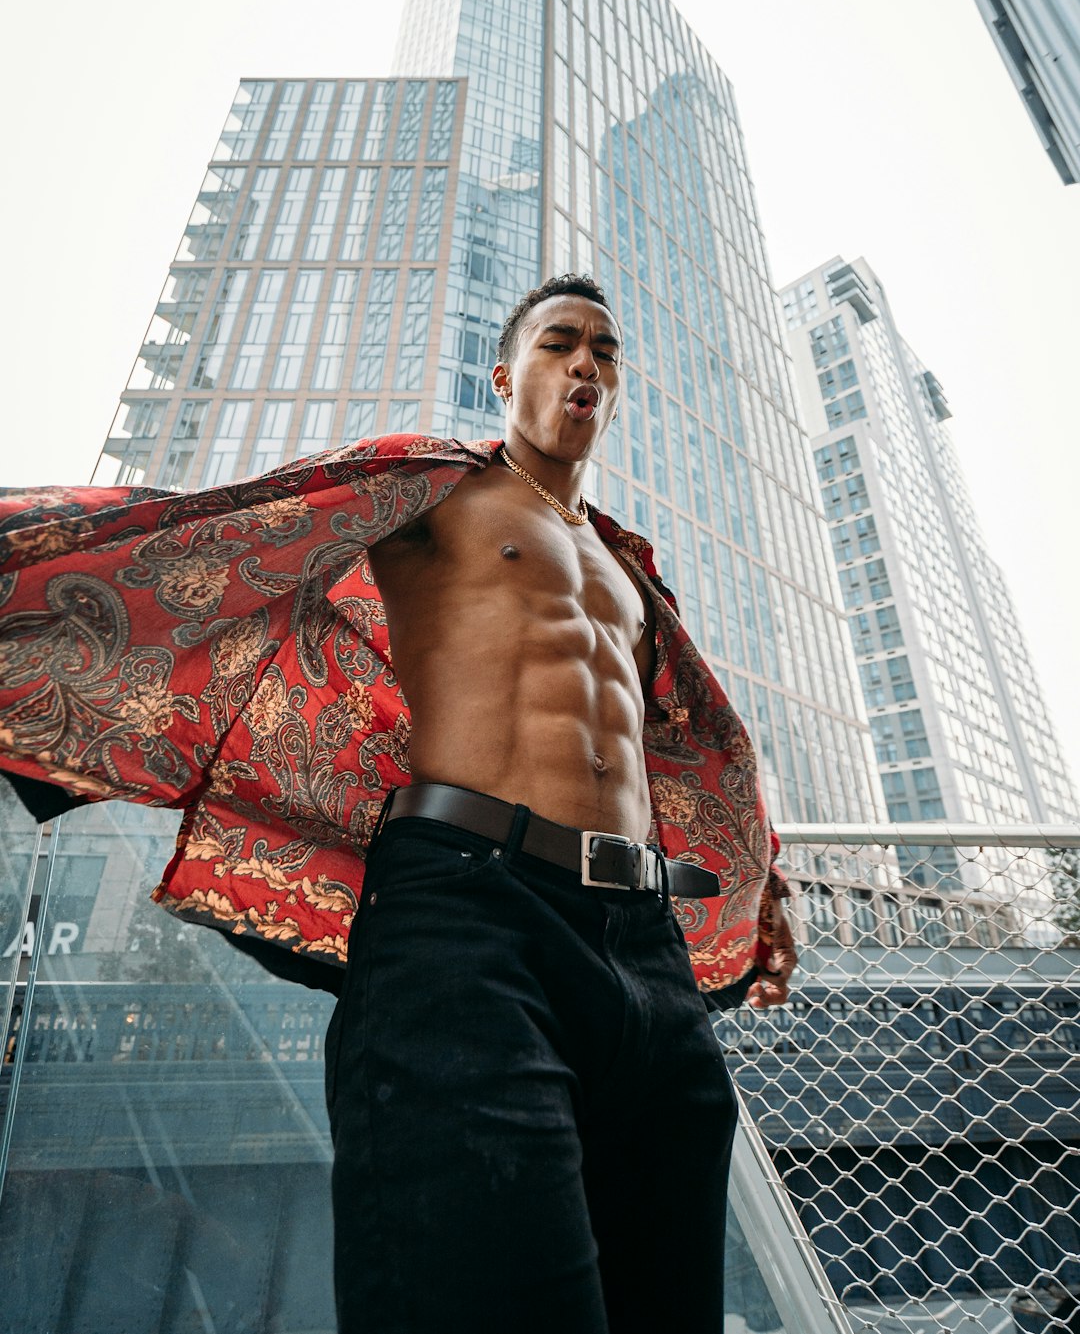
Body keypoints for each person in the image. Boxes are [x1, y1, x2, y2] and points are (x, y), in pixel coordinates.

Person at [0, 273, 796, 1333]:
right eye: (562, 345)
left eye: (607, 353)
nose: (588, 366)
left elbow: (689, 752)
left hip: (640, 948)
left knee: (668, 1303)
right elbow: (228, 540)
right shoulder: (437, 493)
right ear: (507, 375)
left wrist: (747, 886)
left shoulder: (628, 568)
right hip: (471, 915)